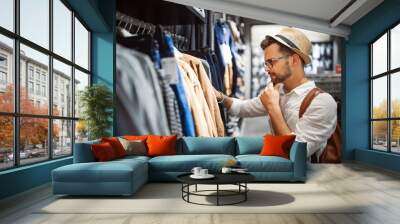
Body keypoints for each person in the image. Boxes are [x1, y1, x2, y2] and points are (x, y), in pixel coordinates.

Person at [215, 27, 337, 159]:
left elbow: (296, 154)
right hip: (279, 169)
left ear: (294, 60)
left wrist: (273, 107)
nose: (267, 69)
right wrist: (219, 96)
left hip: (308, 177)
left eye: (271, 62)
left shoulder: (322, 102)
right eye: (266, 63)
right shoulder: (279, 92)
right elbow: (242, 108)